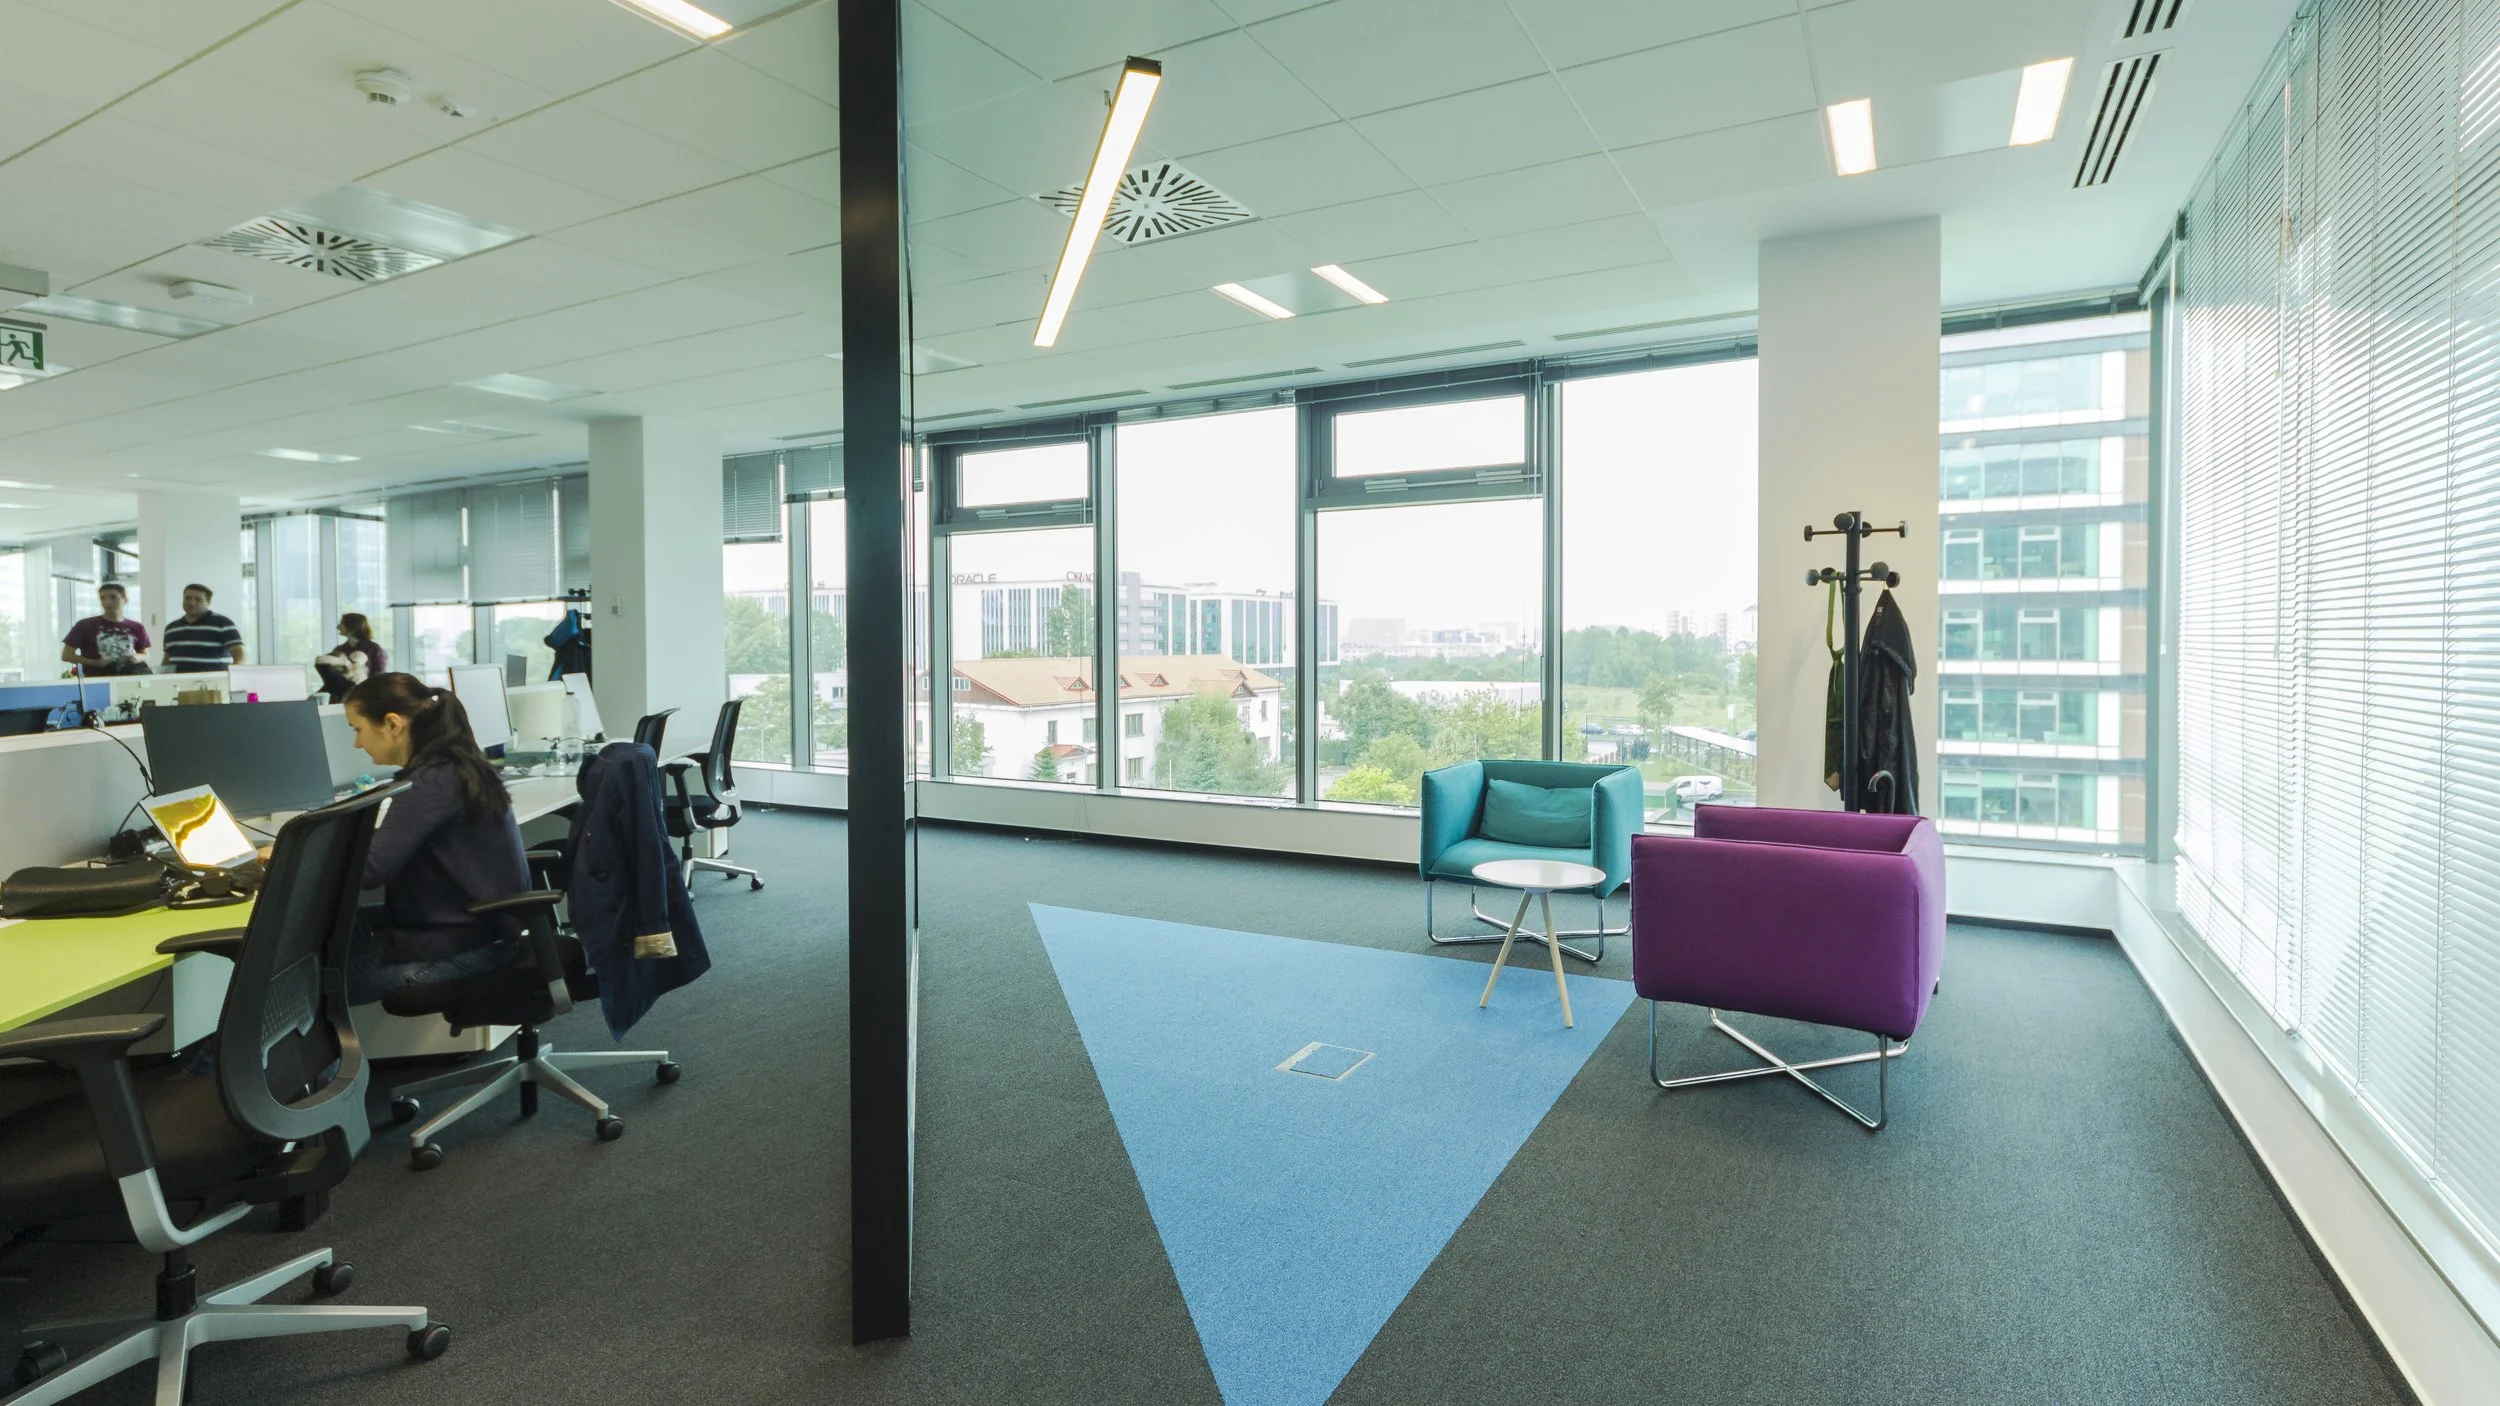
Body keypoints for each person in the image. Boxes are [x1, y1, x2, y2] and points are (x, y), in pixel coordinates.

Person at [337, 672, 529, 1004]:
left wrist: (294, 854)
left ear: (393, 724)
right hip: (481, 931)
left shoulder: (430, 781)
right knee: (337, 936)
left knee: (302, 988)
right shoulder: (455, 766)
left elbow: (371, 870)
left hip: (465, 946)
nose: (357, 743)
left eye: (358, 729)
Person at [60, 582, 150, 675]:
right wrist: (96, 663)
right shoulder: (85, 625)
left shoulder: (136, 627)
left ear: (125, 600)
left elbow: (146, 655)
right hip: (97, 681)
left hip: (127, 678)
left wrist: (137, 658)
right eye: (102, 598)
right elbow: (67, 655)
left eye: (113, 597)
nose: (107, 602)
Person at [159, 583, 244, 673]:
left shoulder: (222, 623)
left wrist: (233, 677)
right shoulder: (171, 628)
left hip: (212, 683)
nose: (191, 602)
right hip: (177, 683)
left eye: (198, 599)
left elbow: (239, 654)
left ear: (208, 602)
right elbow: (167, 658)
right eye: (188, 598)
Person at [315, 613, 388, 703]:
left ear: (352, 626)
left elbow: (379, 676)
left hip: (363, 695)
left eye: (342, 623)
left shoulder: (374, 649)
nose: (338, 626)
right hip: (339, 693)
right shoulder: (339, 649)